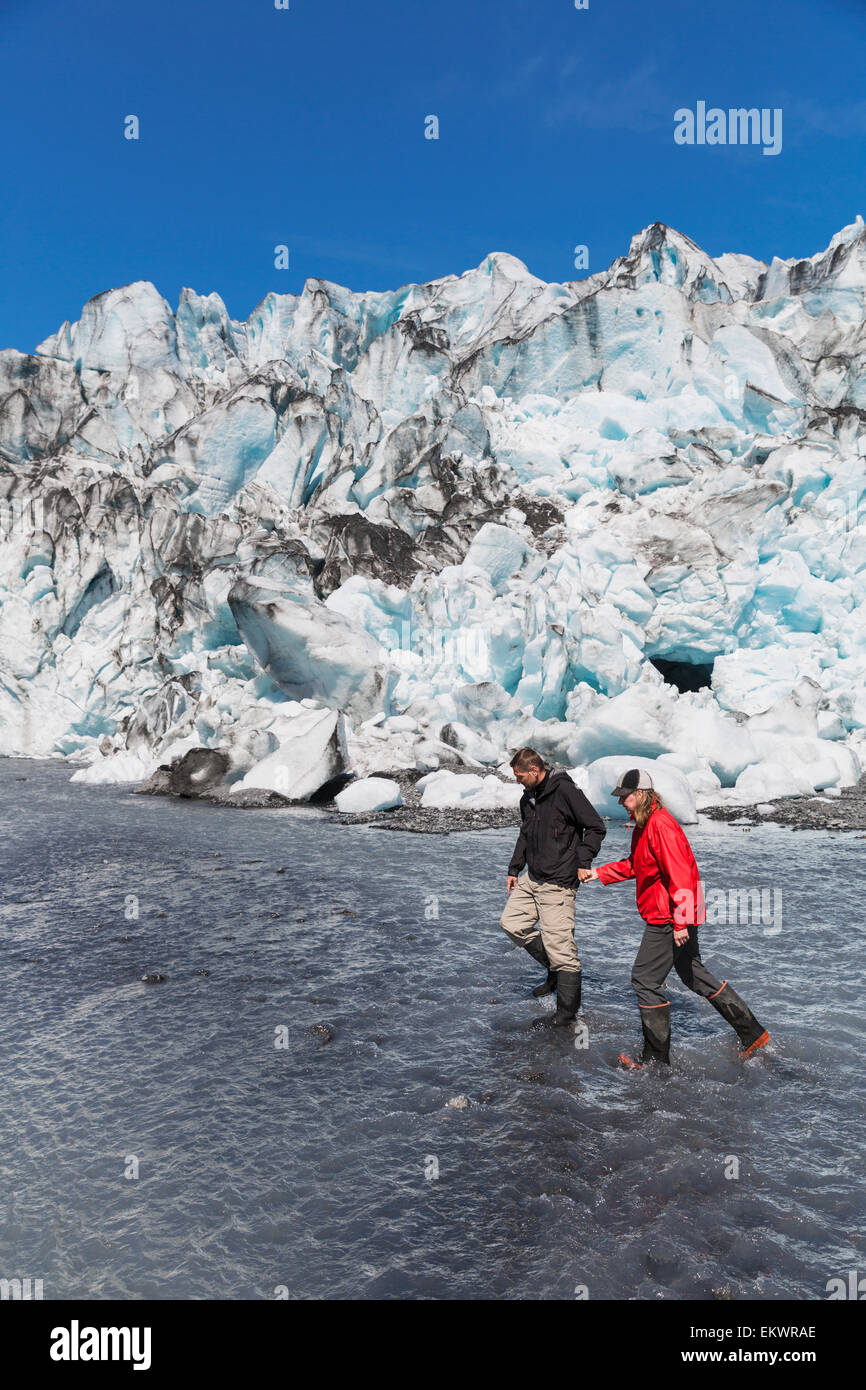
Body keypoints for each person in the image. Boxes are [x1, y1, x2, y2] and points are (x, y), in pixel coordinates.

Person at [580, 768, 770, 1069]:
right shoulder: (645, 824)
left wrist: (680, 922)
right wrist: (599, 873)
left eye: (624, 797)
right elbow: (636, 865)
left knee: (644, 980)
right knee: (693, 973)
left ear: (641, 794)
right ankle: (753, 1035)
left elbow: (680, 877)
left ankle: (654, 1061)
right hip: (675, 913)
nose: (620, 803)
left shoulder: (661, 825)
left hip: (668, 916)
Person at [500, 747, 606, 1026]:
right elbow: (525, 835)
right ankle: (554, 970)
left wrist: (584, 861)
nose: (517, 781)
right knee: (511, 923)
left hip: (559, 882)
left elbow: (596, 827)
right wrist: (514, 868)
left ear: (535, 771)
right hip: (532, 878)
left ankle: (567, 1014)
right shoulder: (528, 799)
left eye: (520, 776)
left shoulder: (565, 792)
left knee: (562, 950)